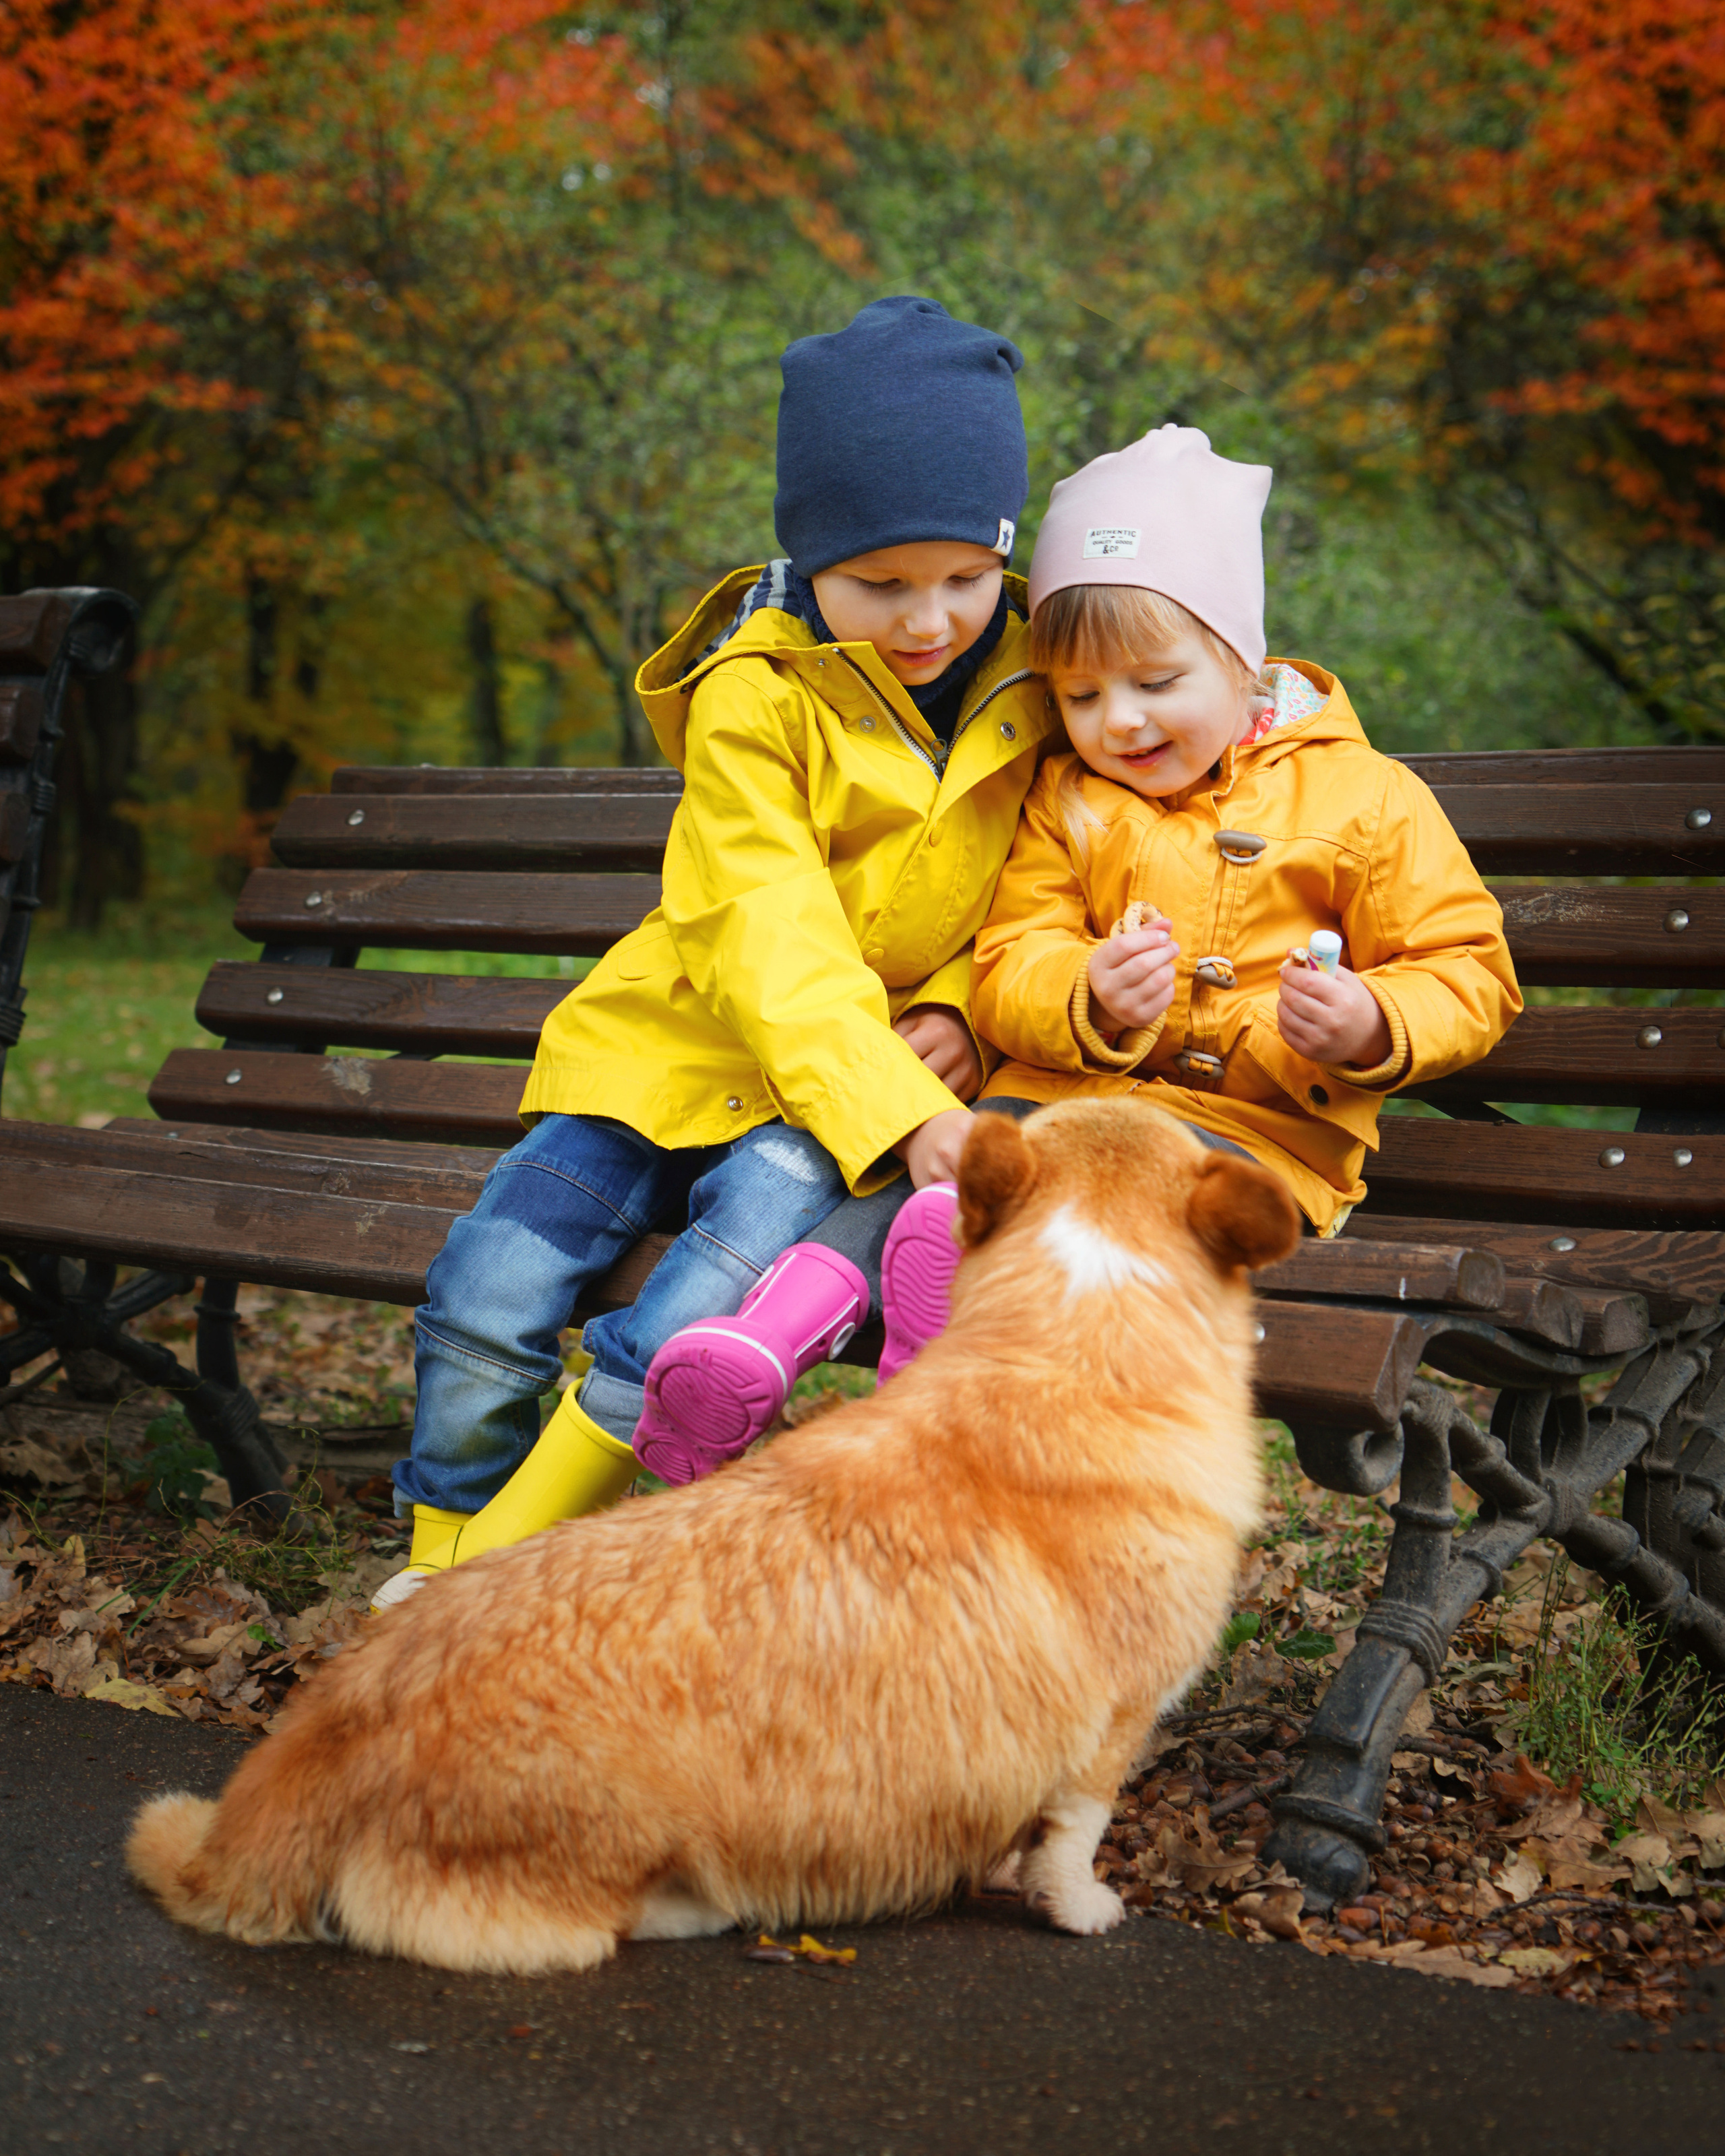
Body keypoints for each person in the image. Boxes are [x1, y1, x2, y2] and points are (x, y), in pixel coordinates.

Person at [377, 296, 1059, 1609]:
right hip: (679, 1051)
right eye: (883, 584)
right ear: (807, 556)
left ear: (1002, 551)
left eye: (964, 577)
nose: (929, 621)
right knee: (490, 1287)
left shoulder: (1037, 677)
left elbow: (1044, 886)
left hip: (822, 1106)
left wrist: (969, 1011)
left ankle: (505, 1574)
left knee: (696, 1305)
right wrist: (902, 1099)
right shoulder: (757, 688)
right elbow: (766, 930)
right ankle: (440, 1552)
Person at [687, 422, 1524, 1388]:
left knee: (1092, 1205)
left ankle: (929, 1373)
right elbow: (1011, 957)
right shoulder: (1066, 796)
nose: (1117, 721)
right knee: (940, 1178)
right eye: (1078, 696)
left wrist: (1373, 1023)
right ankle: (767, 1342)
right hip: (1050, 1103)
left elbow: (1470, 971)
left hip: (1249, 1136)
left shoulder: (1368, 801)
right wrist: (1087, 993)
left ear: (1242, 658)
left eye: (1156, 683)